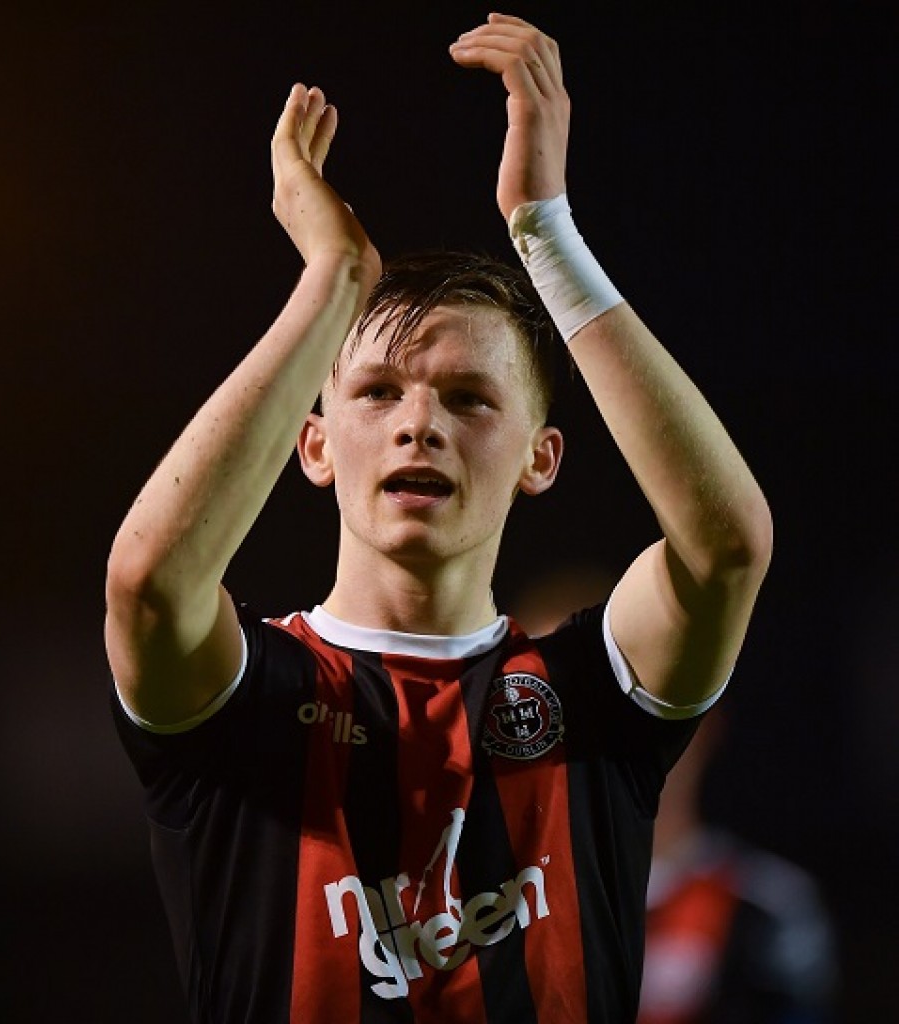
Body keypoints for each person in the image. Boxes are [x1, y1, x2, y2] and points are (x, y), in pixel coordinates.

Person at [104, 13, 773, 1024]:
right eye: (375, 392)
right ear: (315, 444)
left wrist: (548, 233)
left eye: (469, 398)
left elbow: (726, 545)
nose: (420, 423)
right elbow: (148, 583)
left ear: (540, 459)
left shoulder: (584, 702)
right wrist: (330, 281)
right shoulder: (248, 701)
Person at [512, 567, 839, 1024]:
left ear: (699, 717)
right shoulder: (461, 916)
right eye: (542, 705)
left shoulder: (763, 912)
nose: (577, 735)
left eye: (609, 698)